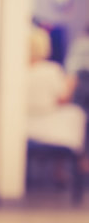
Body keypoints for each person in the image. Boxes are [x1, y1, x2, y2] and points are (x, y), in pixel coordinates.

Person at [27, 27, 86, 155]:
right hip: (46, 122)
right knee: (77, 114)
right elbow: (63, 99)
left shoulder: (17, 71)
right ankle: (73, 164)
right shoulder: (52, 70)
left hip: (25, 120)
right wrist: (71, 85)